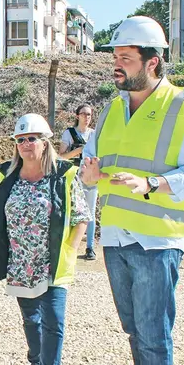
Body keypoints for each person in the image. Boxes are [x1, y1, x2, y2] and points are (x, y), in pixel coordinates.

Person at [79, 16, 184, 365]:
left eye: (126, 57)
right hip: (117, 238)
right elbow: (95, 167)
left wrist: (152, 183)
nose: (116, 64)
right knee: (135, 330)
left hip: (158, 240)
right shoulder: (110, 111)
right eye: (115, 57)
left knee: (154, 335)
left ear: (153, 62)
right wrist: (90, 175)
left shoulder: (182, 107)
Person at [0, 113, 91, 365]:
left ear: (45, 143)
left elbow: (82, 215)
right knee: (31, 319)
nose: (25, 144)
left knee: (53, 319)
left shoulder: (63, 175)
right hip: (22, 261)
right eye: (20, 140)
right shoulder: (8, 177)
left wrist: (71, 248)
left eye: (31, 139)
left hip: (54, 260)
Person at [60, 105, 99, 261]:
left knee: (90, 211)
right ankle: (68, 245)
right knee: (70, 211)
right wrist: (79, 151)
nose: (87, 117)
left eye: (89, 114)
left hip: (90, 177)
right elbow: (61, 156)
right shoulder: (69, 134)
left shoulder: (94, 135)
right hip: (73, 177)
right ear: (77, 116)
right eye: (84, 114)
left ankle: (90, 247)